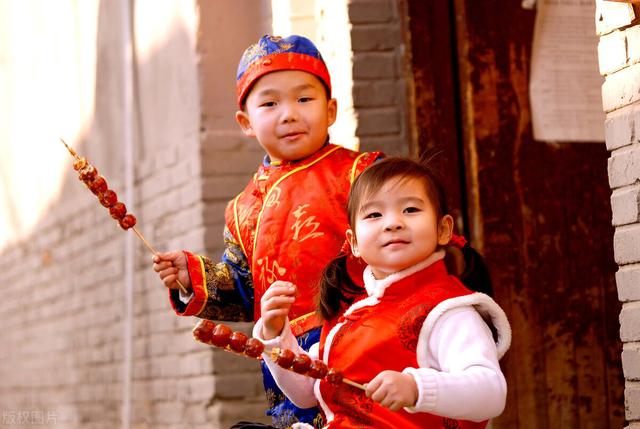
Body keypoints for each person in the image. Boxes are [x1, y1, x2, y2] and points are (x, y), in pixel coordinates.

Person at [152, 34, 382, 428]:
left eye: (304, 99)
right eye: (270, 103)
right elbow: (244, 293)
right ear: (246, 122)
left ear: (330, 110)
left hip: (362, 347)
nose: (289, 114)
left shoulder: (363, 175)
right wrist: (192, 278)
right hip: (286, 360)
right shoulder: (242, 208)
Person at [254, 157, 511, 429]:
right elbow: (306, 394)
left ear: (443, 229)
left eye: (410, 209)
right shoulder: (354, 314)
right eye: (374, 215)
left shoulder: (448, 311)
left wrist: (416, 387)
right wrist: (275, 335)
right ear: (353, 242)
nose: (392, 223)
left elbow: (491, 392)